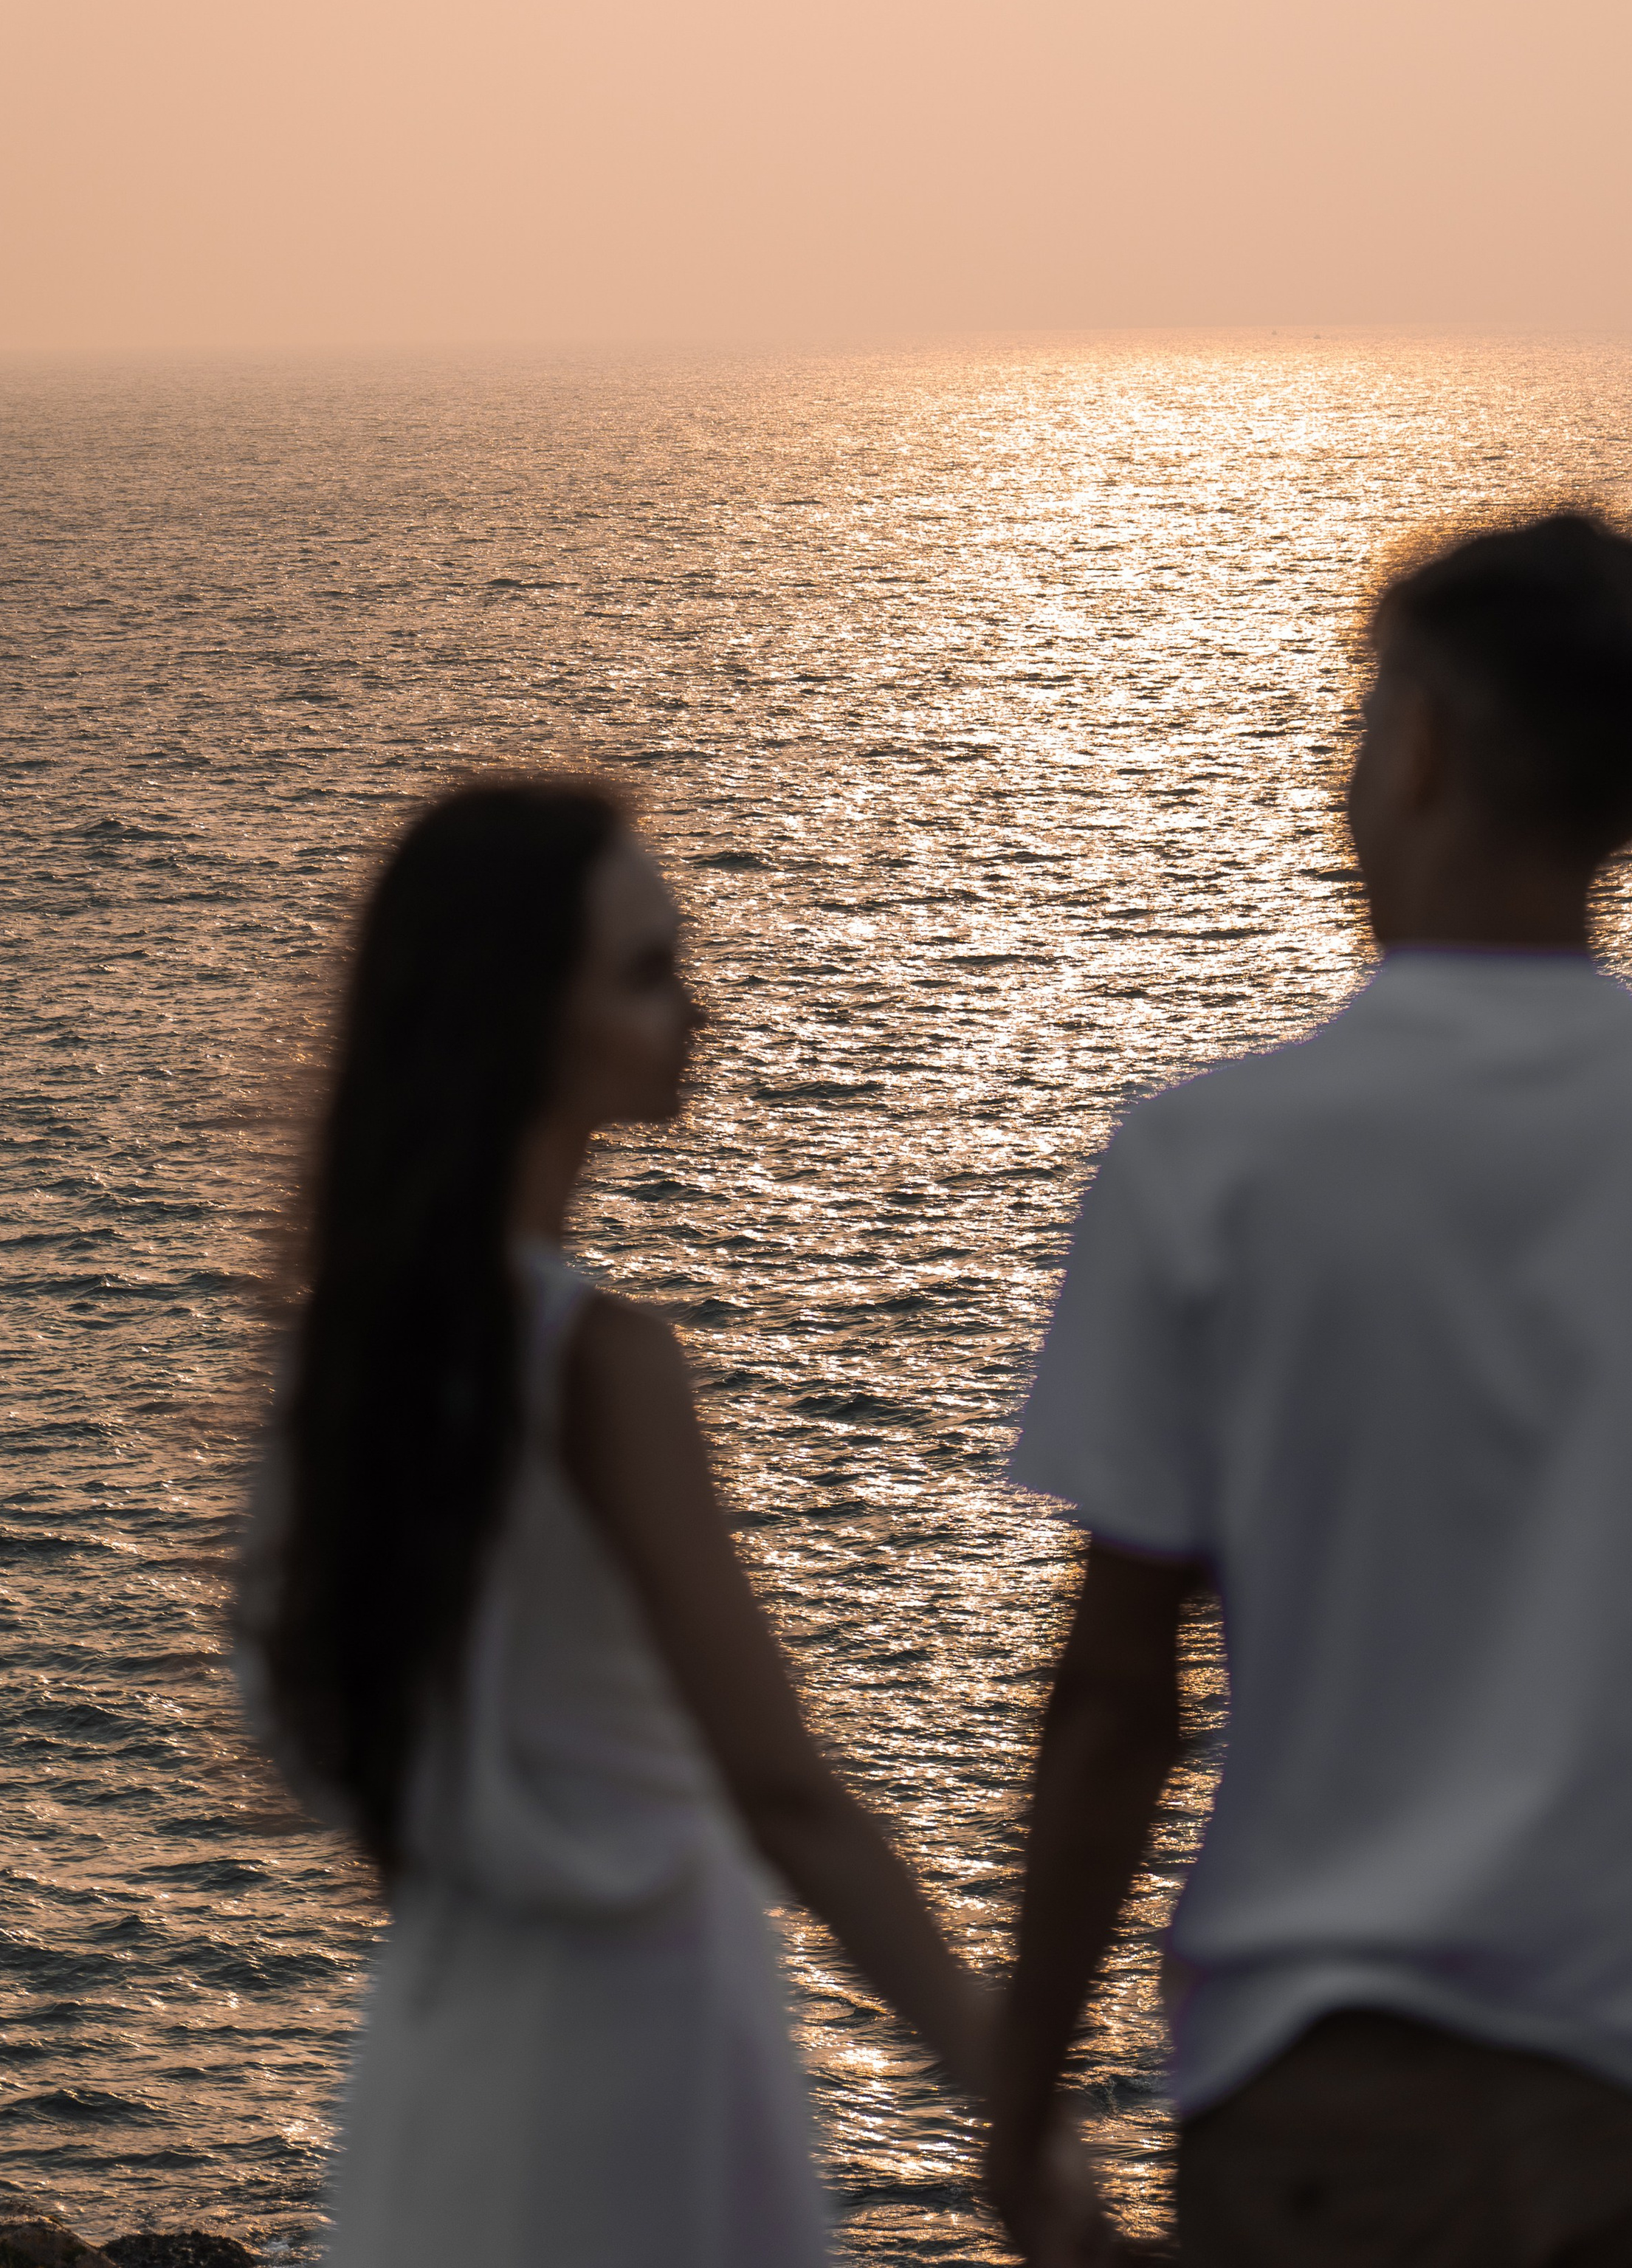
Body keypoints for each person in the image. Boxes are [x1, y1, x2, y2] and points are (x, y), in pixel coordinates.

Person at [986, 510, 1632, 2267]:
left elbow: (1116, 1698)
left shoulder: (1210, 1166)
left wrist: (1020, 2104)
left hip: (1329, 2110)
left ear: (1423, 749)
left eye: (1364, 711)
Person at [235, 779, 1085, 2267]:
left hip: (436, 2051)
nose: (698, 1010)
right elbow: (785, 1791)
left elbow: (336, 1744)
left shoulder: (332, 1365)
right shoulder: (597, 1363)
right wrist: (1012, 2105)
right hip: (635, 2047)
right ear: (521, 1018)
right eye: (645, 970)